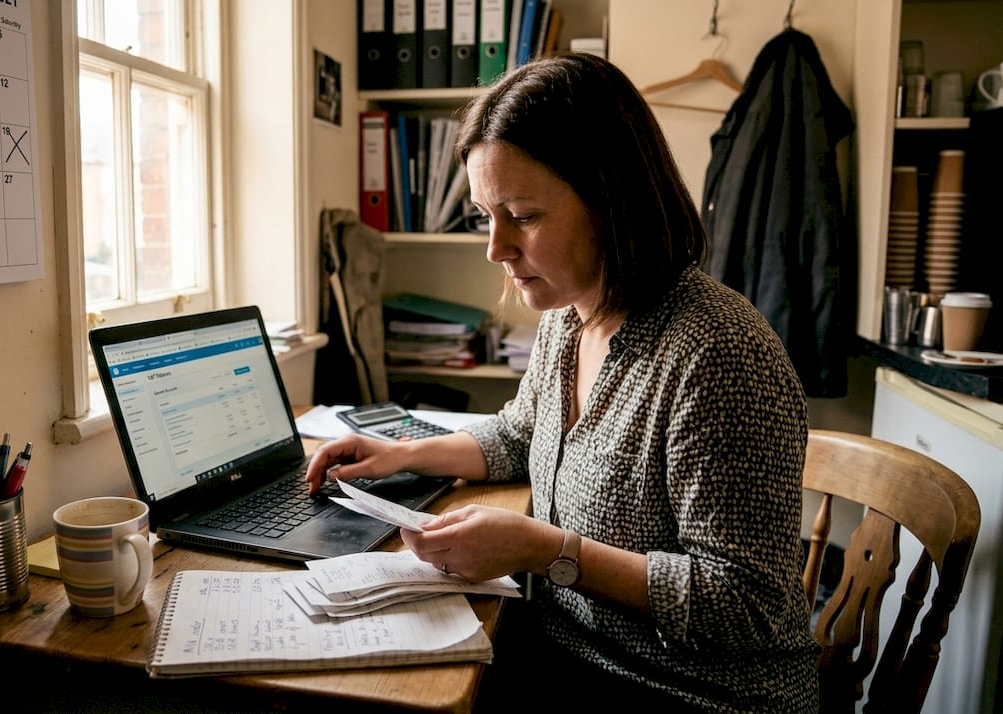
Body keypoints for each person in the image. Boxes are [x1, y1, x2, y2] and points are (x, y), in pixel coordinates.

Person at [304, 52, 819, 712]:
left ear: (613, 202)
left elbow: (747, 605)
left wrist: (545, 550)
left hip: (694, 692)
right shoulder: (569, 317)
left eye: (522, 215)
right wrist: (401, 454)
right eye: (485, 215)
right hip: (571, 653)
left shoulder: (717, 353)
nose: (495, 248)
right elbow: (522, 435)